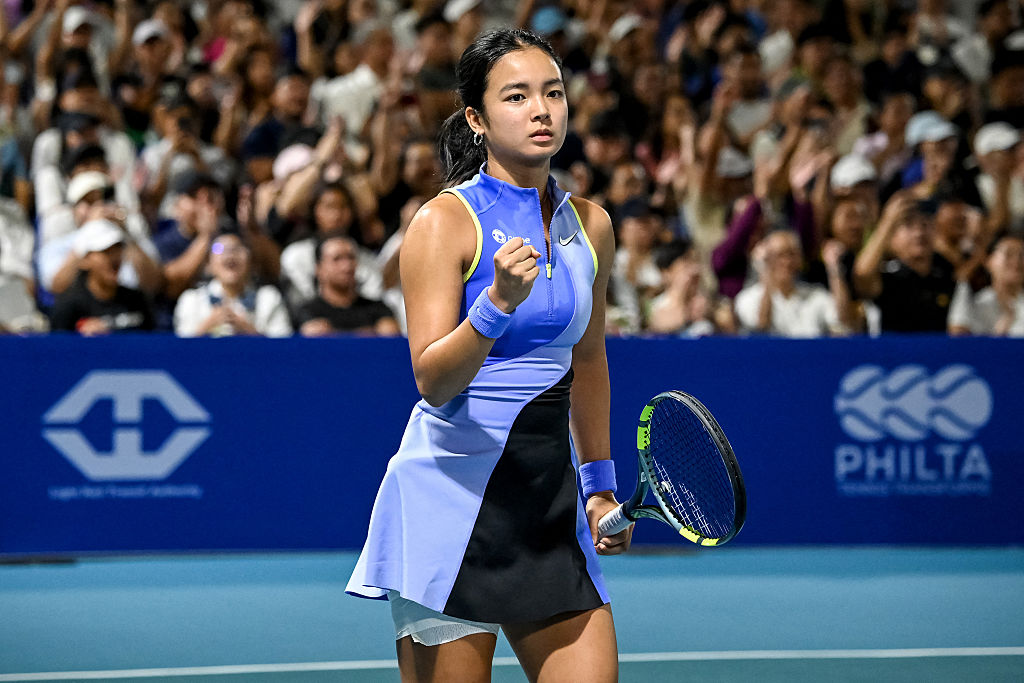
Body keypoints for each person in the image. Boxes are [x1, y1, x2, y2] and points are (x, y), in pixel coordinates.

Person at [346, 28, 630, 683]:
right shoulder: (444, 223)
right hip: (451, 505)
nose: (542, 109)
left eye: (553, 93)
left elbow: (589, 362)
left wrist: (597, 486)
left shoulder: (592, 226)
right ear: (476, 118)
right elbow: (433, 379)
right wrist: (496, 303)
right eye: (518, 95)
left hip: (549, 506)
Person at [173, 231, 291, 338]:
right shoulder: (191, 300)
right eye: (219, 249)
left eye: (237, 249)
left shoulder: (268, 298)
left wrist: (248, 330)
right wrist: (207, 327)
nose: (230, 255)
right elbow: (180, 352)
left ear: (252, 261)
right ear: (208, 264)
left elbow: (284, 348)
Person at [50, 218, 155, 335]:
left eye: (117, 248)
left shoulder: (137, 300)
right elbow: (58, 348)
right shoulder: (68, 306)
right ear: (85, 260)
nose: (113, 256)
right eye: (105, 251)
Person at [296, 234, 399, 336]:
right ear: (318, 268)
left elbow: (390, 335)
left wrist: (331, 334)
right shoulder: (307, 312)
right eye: (337, 259)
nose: (347, 266)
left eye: (351, 257)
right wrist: (370, 333)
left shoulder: (379, 309)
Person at [948, 233, 1024, 336]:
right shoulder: (975, 303)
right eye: (1009, 254)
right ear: (988, 261)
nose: (1017, 261)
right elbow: (958, 338)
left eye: (1022, 255)